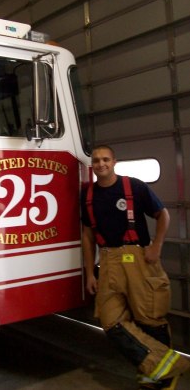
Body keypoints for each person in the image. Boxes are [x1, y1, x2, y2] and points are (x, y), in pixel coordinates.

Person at [81, 145, 190, 390]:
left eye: (105, 159)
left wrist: (157, 246)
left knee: (149, 318)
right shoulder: (87, 195)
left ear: (114, 162)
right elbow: (87, 236)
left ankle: (157, 379)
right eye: (96, 160)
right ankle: (169, 367)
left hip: (138, 258)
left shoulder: (134, 187)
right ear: (93, 165)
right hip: (108, 261)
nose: (101, 164)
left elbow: (163, 215)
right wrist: (90, 272)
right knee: (111, 323)